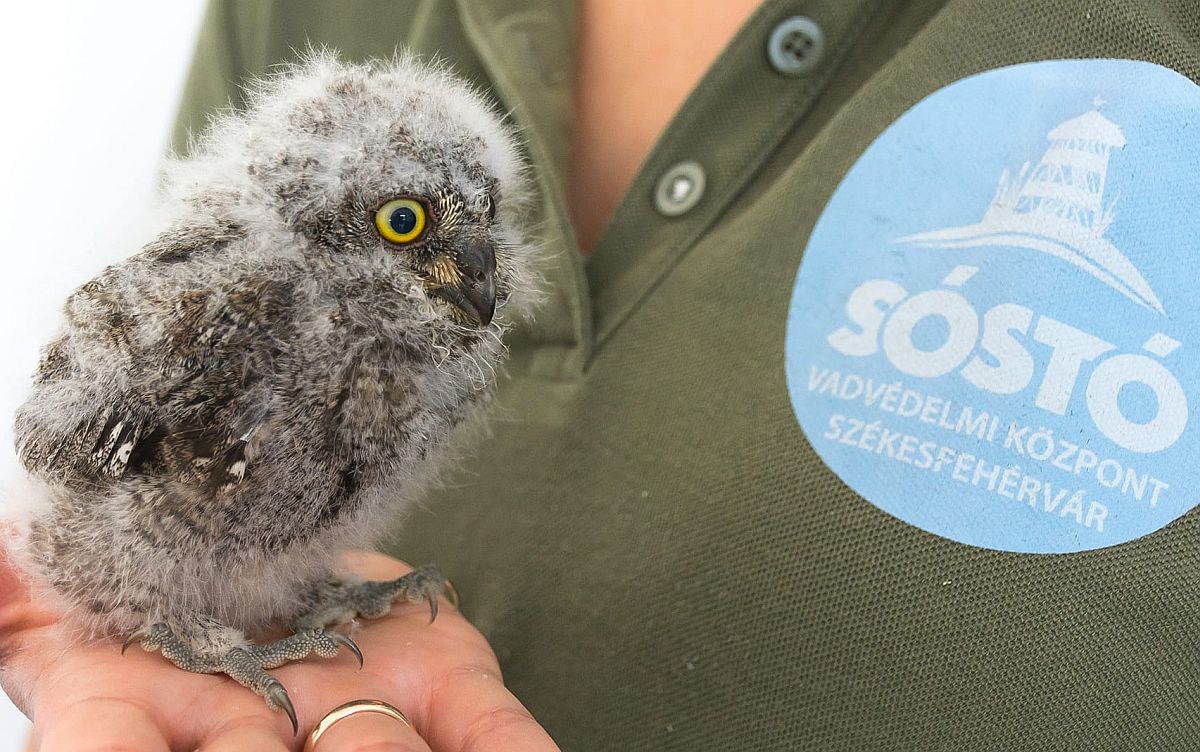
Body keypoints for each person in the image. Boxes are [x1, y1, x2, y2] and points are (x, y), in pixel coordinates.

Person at [6, 0, 1200, 749]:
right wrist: (146, 618)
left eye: (486, 219)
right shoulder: (238, 281)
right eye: (417, 222)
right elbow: (78, 442)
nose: (473, 264)